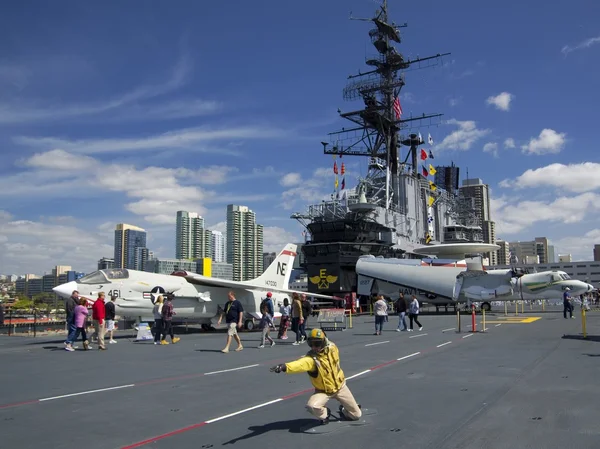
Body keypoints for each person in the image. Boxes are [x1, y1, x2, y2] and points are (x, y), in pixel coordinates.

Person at [270, 328, 362, 425]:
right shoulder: (311, 359)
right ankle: (325, 414)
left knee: (356, 415)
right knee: (312, 406)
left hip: (340, 387)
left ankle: (344, 409)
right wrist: (284, 367)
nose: (314, 347)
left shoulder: (332, 348)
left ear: (324, 341)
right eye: (311, 344)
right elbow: (300, 364)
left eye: (317, 344)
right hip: (323, 391)